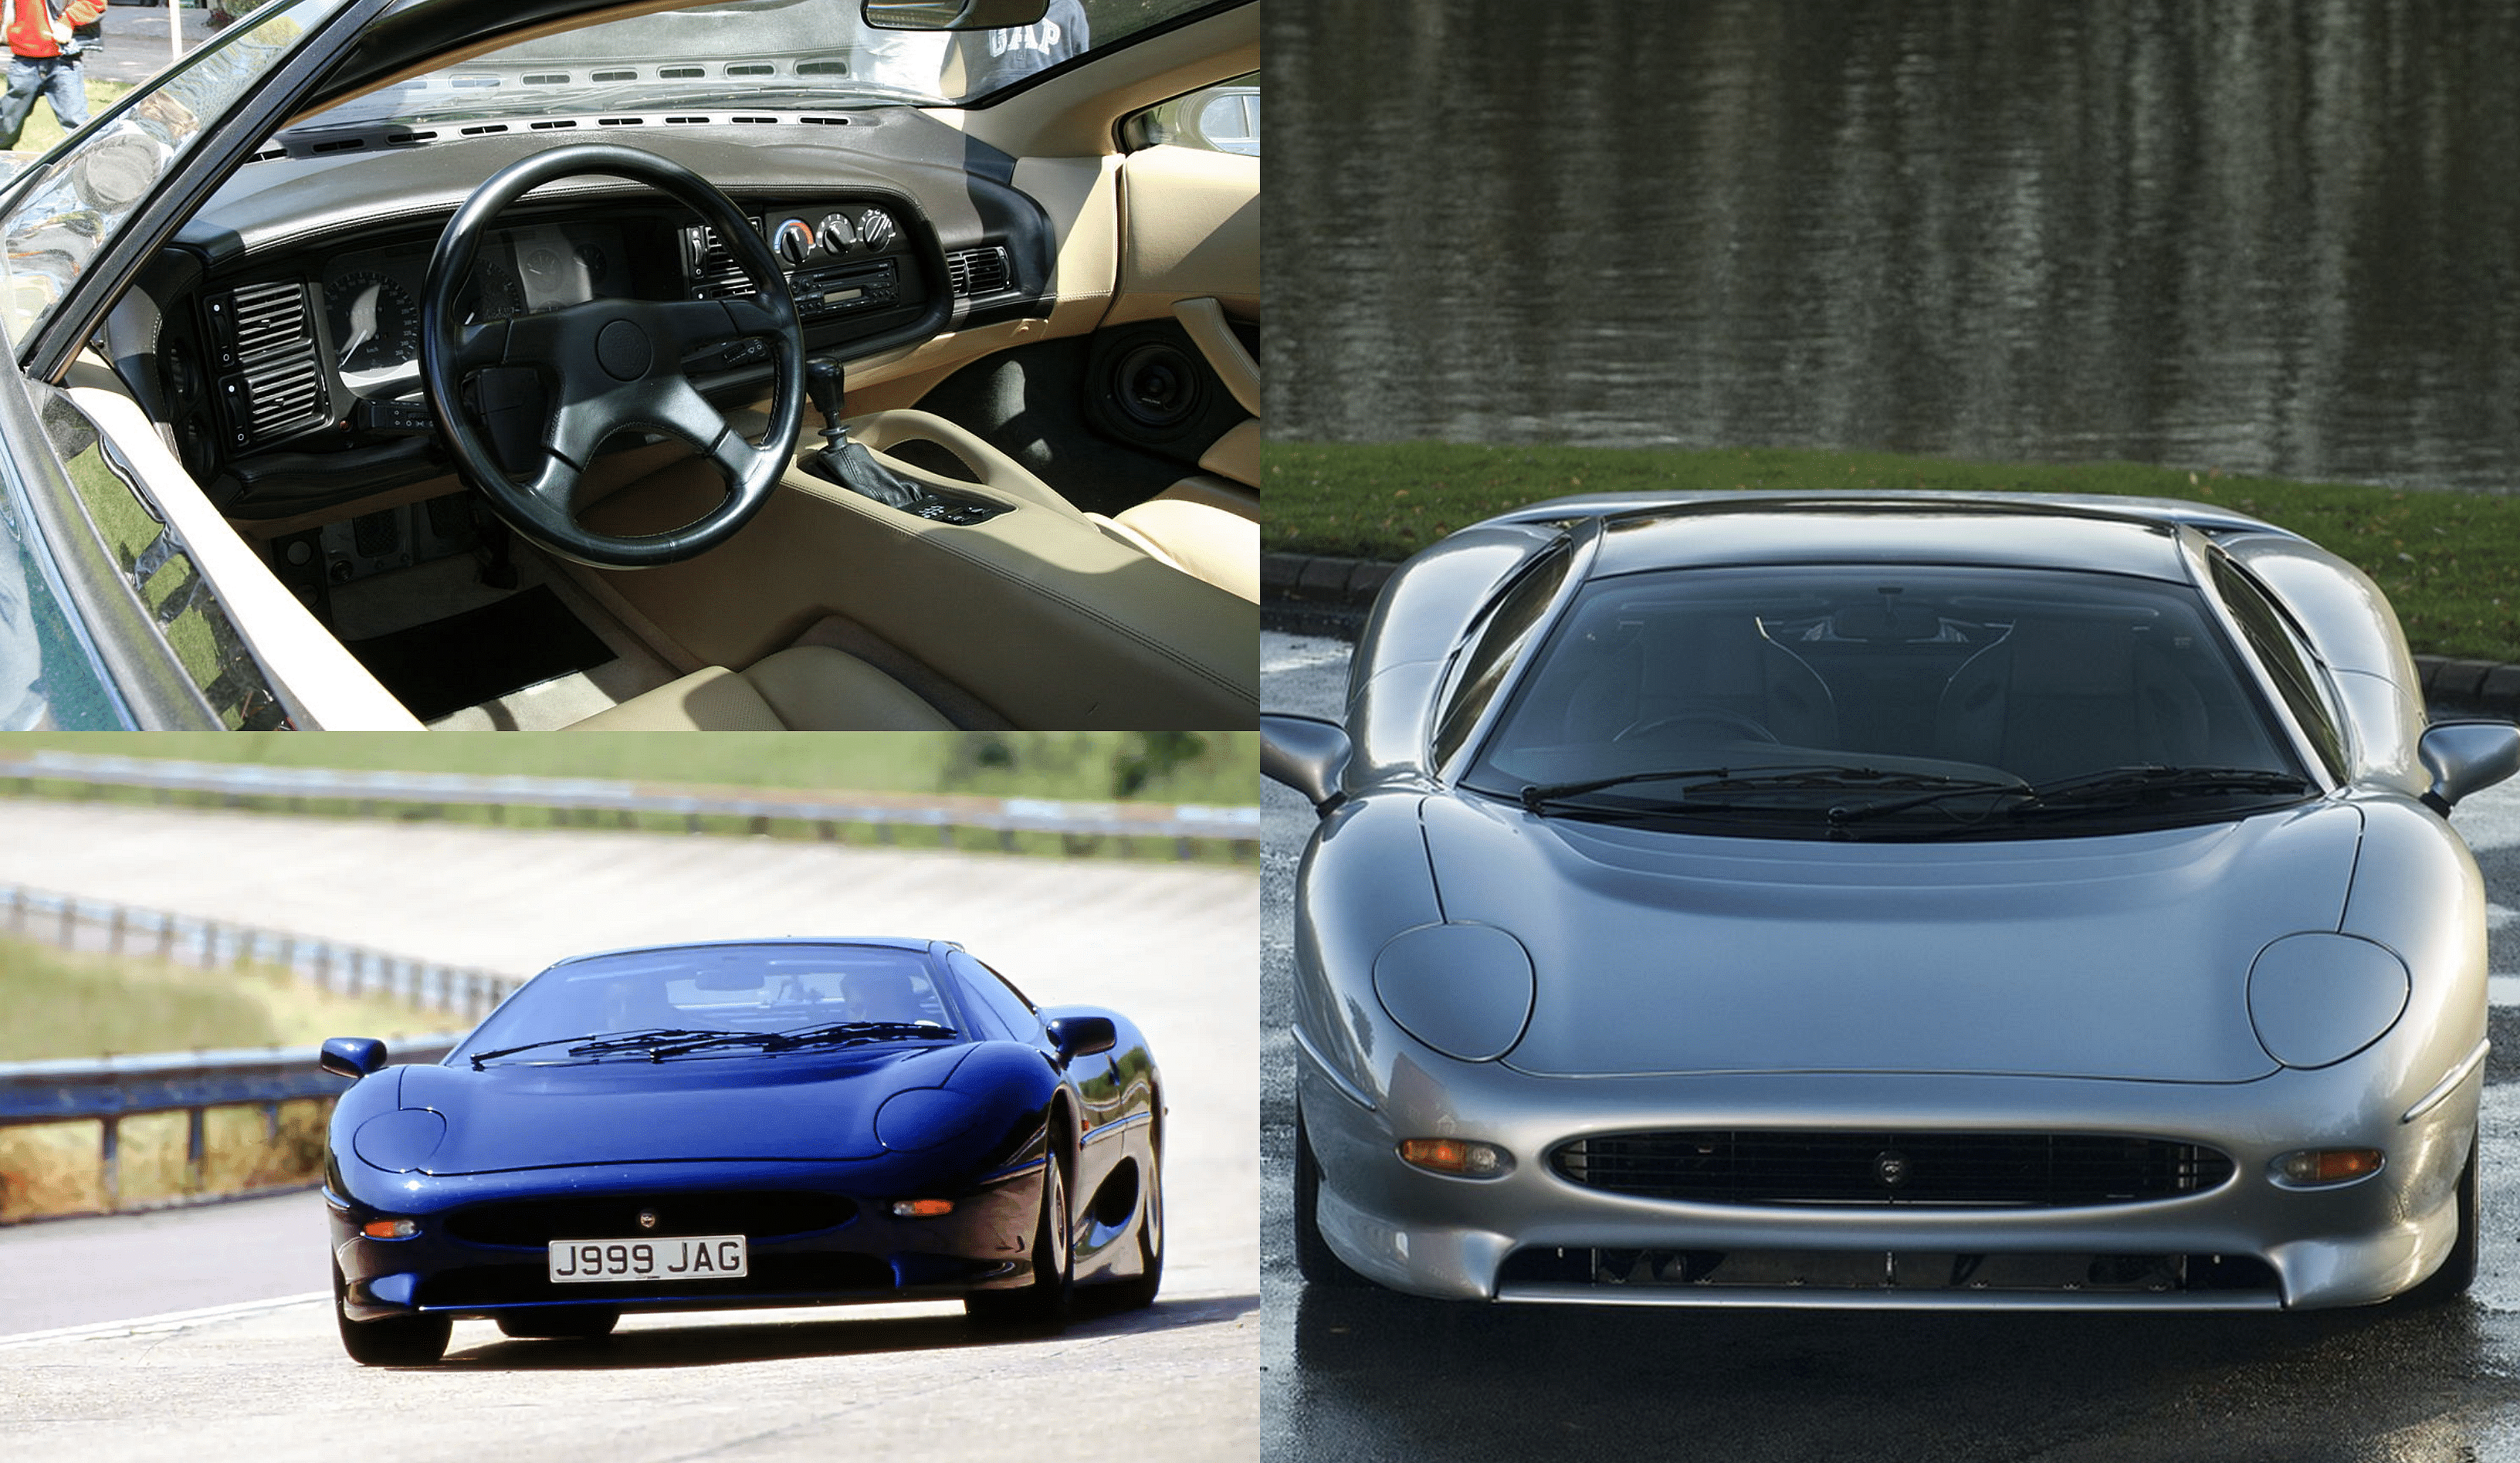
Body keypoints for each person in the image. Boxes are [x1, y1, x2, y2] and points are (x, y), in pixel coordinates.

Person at [0, 0, 104, 152]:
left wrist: (68, 21)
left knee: (76, 121)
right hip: (24, 60)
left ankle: (95, 160)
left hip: (64, 59)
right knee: (7, 124)